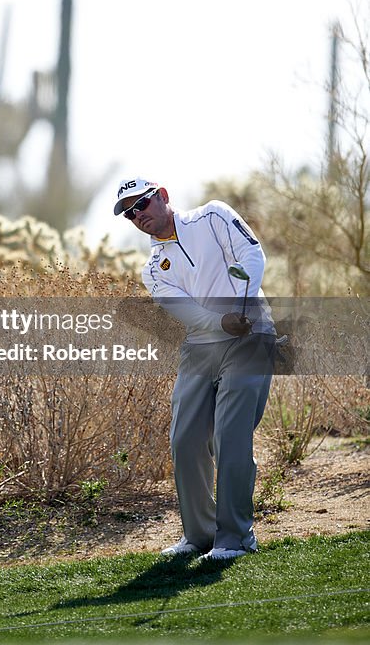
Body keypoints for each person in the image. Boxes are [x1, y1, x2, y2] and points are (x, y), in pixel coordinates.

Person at [114, 176, 276, 561]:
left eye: (142, 204)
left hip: (251, 333)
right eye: (129, 213)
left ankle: (235, 539)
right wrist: (220, 323)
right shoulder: (153, 268)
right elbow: (186, 311)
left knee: (230, 436)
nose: (137, 215)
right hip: (203, 345)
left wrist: (239, 307)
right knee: (185, 439)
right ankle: (200, 535)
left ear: (163, 196)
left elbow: (252, 257)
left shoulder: (213, 216)